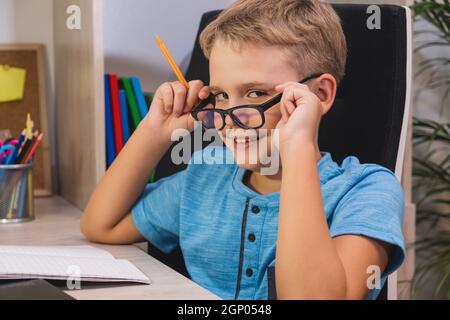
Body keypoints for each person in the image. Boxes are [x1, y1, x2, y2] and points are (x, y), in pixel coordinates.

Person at [81, 0, 405, 300]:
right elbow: (100, 225)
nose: (230, 120)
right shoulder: (207, 174)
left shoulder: (367, 190)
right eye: (220, 95)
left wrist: (297, 150)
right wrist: (155, 133)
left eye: (254, 93)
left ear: (319, 94)